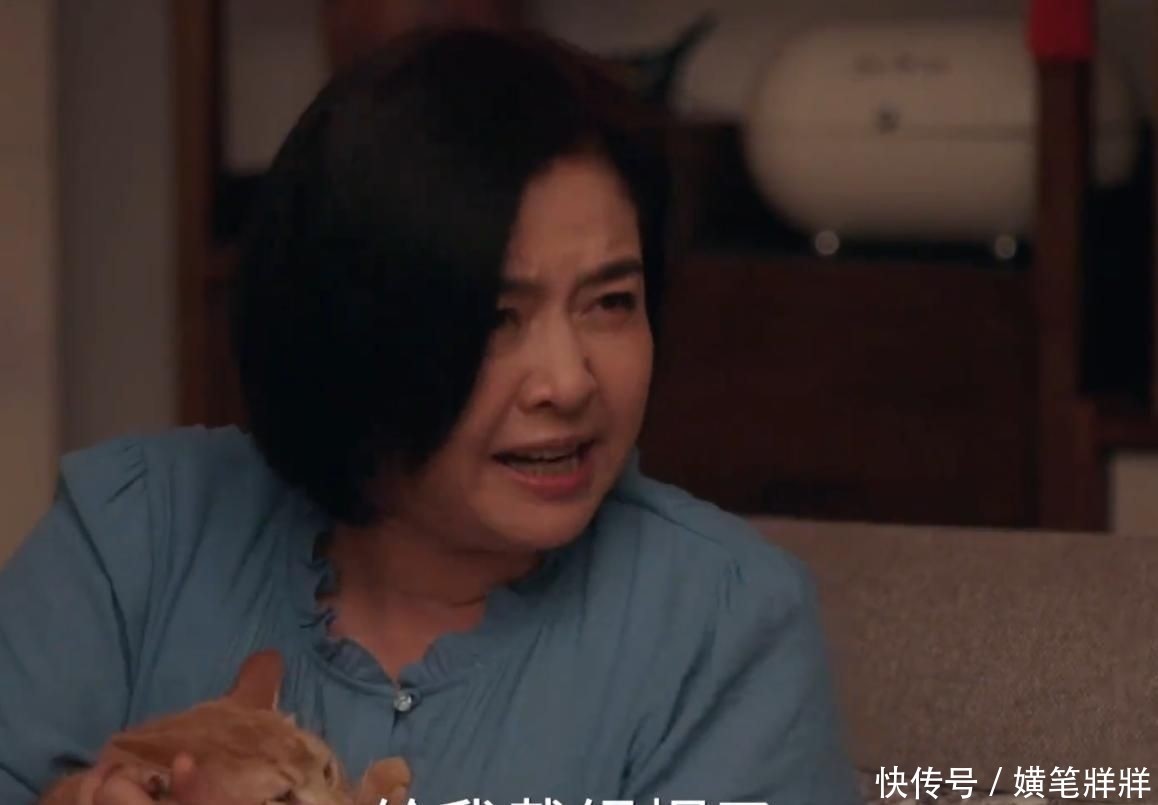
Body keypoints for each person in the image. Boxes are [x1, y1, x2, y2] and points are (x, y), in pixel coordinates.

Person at [0, 26, 860, 805]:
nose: (568, 382)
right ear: (348, 326)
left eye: (610, 302)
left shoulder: (723, 631)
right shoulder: (135, 538)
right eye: (496, 317)